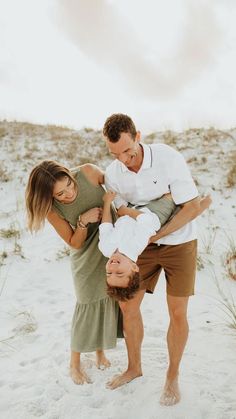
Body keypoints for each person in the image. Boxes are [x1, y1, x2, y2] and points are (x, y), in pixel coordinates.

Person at [102, 113, 211, 405]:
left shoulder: (167, 157)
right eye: (115, 153)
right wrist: (146, 223)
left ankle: (172, 375)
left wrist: (156, 231)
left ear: (138, 136)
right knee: (128, 305)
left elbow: (189, 207)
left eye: (127, 150)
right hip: (142, 246)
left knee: (177, 312)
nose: (124, 159)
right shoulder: (114, 172)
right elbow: (121, 210)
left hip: (179, 239)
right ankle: (134, 367)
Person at [25, 160, 123, 385]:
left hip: (112, 245)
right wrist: (82, 221)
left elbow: (119, 183)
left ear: (70, 175)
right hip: (86, 256)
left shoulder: (88, 172)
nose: (68, 193)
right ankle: (74, 364)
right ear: (49, 196)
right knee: (87, 303)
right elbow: (73, 242)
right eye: (60, 194)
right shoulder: (52, 209)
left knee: (108, 297)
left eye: (68, 185)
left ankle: (100, 353)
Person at [99, 190, 177, 300]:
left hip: (131, 210)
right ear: (134, 267)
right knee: (171, 193)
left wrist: (107, 203)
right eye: (119, 273)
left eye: (109, 273)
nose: (112, 267)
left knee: (115, 188)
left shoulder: (105, 248)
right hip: (154, 213)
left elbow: (105, 227)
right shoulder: (135, 247)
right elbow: (146, 221)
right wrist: (125, 211)